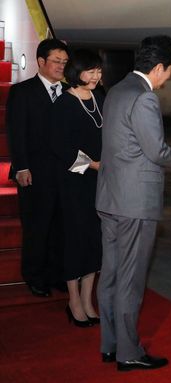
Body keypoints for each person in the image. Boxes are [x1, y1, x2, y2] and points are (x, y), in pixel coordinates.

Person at [95, 35, 171, 371]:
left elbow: (131, 146)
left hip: (111, 196)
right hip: (134, 203)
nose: (169, 76)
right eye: (169, 70)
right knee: (129, 279)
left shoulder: (116, 90)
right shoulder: (144, 98)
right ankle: (129, 353)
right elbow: (156, 151)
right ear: (157, 67)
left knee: (111, 275)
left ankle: (110, 344)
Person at [6, 38, 69, 297]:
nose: (61, 66)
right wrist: (21, 167)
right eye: (57, 61)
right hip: (33, 173)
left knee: (60, 227)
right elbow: (16, 132)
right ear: (41, 61)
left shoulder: (69, 92)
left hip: (63, 174)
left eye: (65, 62)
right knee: (36, 227)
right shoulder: (23, 91)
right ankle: (34, 275)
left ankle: (56, 274)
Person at [49, 49, 104, 328]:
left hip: (99, 182)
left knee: (94, 240)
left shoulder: (99, 98)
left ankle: (87, 298)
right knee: (74, 240)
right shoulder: (63, 104)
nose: (96, 76)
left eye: (98, 71)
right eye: (91, 71)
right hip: (73, 181)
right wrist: (92, 165)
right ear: (76, 72)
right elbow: (60, 147)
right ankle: (73, 301)